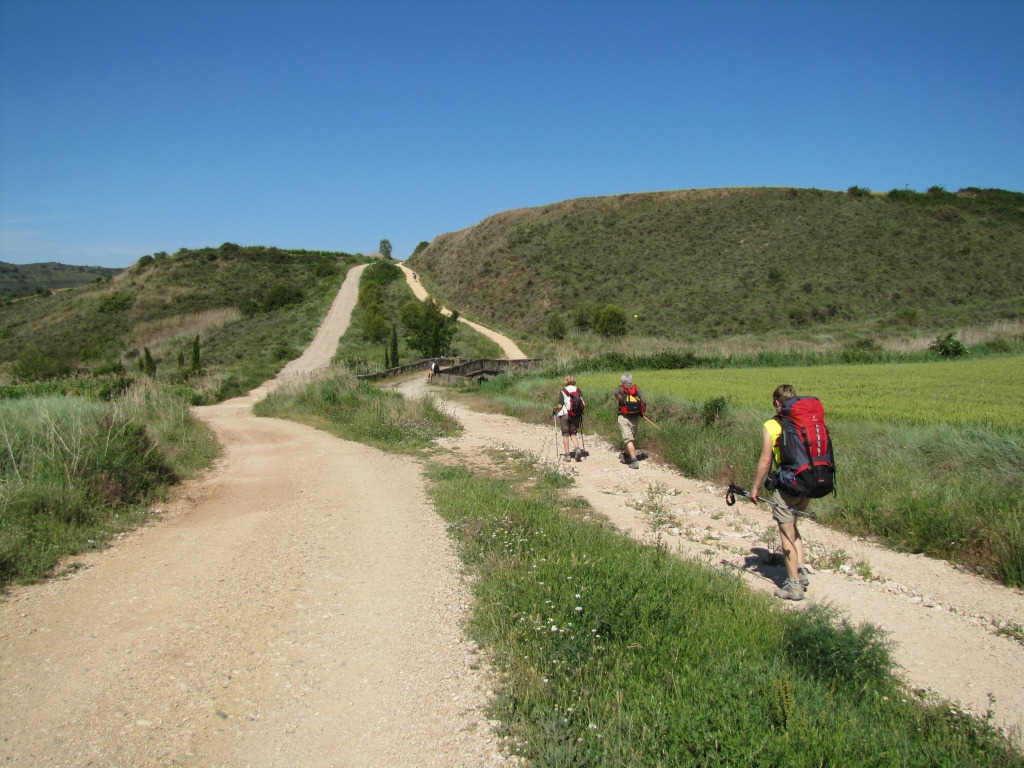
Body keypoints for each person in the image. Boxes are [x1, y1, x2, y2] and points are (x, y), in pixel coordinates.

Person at [751, 384, 813, 601]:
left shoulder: (772, 425)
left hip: (788, 485)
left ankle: (794, 586)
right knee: (793, 527)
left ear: (777, 402)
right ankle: (801, 570)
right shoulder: (805, 420)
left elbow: (765, 460)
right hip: (808, 482)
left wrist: (756, 487)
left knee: (786, 532)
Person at [613, 372, 646, 469]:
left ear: (622, 381)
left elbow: (615, 393)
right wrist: (642, 412)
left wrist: (622, 401)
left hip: (624, 417)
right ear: (631, 381)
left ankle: (634, 460)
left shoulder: (620, 388)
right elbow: (644, 401)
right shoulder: (637, 389)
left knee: (628, 439)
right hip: (635, 417)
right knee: (631, 438)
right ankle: (626, 455)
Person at [552, 374, 585, 462]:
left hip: (565, 415)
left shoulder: (563, 391)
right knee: (573, 433)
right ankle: (577, 448)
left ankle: (567, 455)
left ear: (566, 381)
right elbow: (582, 403)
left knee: (565, 434)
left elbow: (560, 405)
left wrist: (554, 409)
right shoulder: (578, 390)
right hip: (575, 414)